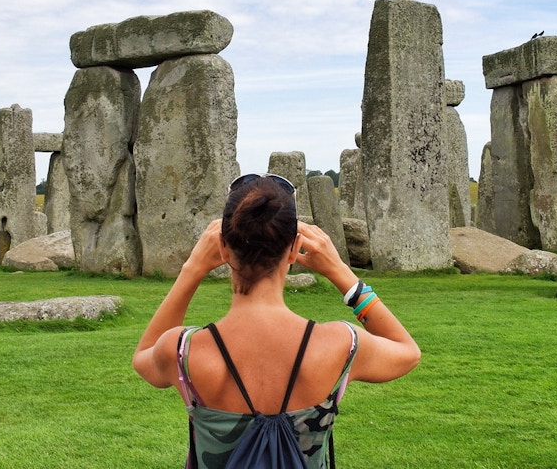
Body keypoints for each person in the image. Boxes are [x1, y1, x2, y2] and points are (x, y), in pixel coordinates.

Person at [133, 174, 421, 469]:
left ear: (221, 247)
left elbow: (144, 356)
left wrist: (192, 269)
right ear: (295, 248)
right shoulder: (339, 344)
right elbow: (408, 352)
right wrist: (341, 273)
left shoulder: (183, 351)